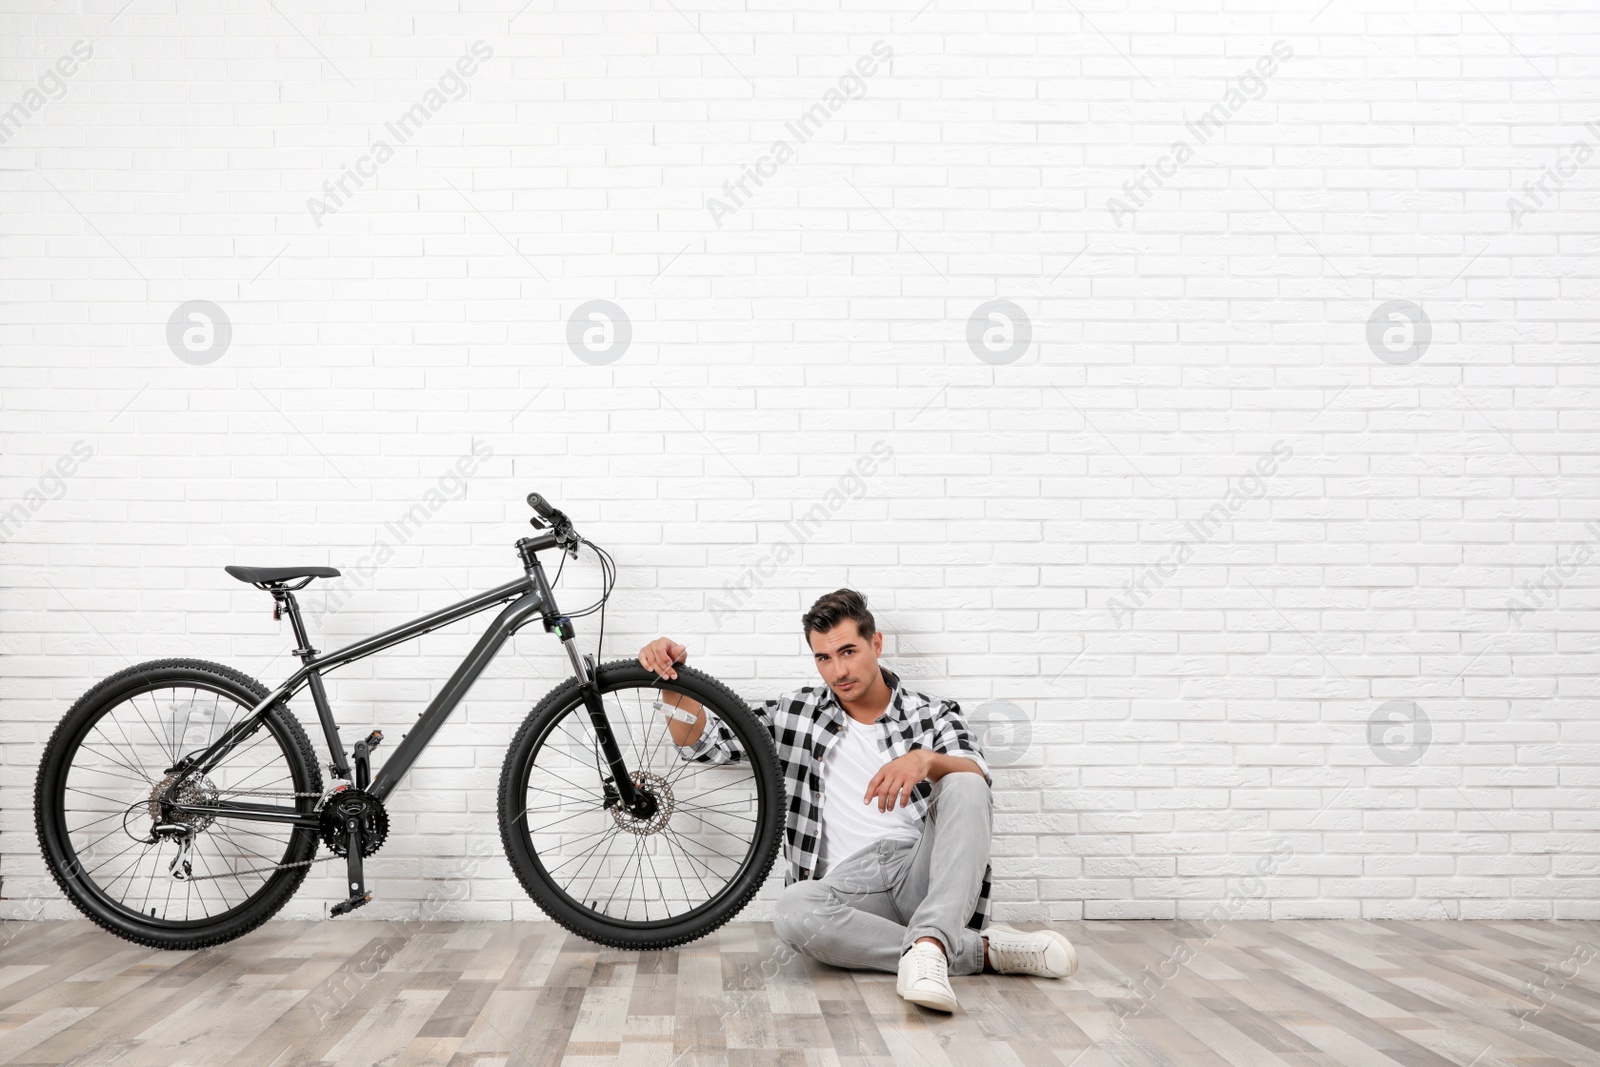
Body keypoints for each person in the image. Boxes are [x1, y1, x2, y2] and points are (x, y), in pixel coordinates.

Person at [638, 588, 1077, 1012]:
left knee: (965, 783)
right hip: (847, 889)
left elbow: (976, 774)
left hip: (920, 873)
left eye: (848, 651)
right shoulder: (797, 713)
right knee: (792, 910)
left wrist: (925, 760)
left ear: (876, 643)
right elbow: (704, 745)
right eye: (823, 658)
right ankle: (972, 950)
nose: (837, 671)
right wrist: (672, 682)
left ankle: (931, 942)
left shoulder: (932, 714)